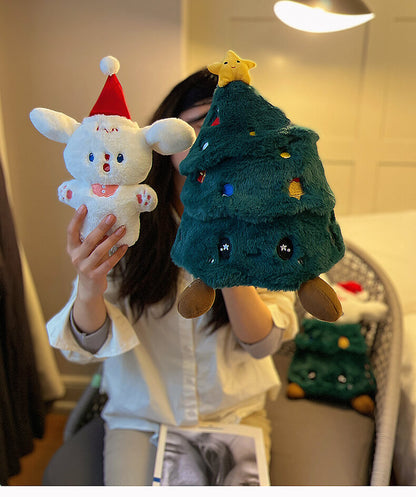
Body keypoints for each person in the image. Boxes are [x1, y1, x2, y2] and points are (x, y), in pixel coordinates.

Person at [47, 68, 298, 485]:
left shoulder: (268, 226)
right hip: (140, 419)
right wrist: (89, 284)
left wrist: (228, 248)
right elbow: (90, 344)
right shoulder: (125, 219)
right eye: (202, 124)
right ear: (166, 137)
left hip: (233, 415)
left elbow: (262, 344)